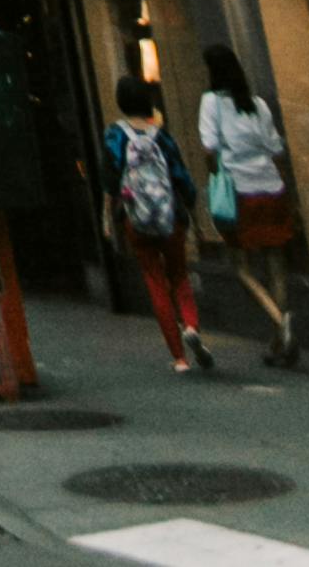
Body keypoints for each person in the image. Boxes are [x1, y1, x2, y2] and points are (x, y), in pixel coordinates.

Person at [103, 70, 215, 373]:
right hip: (170, 216)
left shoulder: (114, 135)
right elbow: (181, 178)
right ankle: (191, 326)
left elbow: (111, 182)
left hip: (136, 218)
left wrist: (110, 217)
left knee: (154, 280)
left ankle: (179, 357)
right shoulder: (162, 136)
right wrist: (192, 210)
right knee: (179, 274)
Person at [197, 42, 297, 366]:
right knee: (276, 266)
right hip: (272, 188)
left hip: (240, 191)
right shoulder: (257, 104)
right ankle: (279, 344)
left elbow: (210, 148)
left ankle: (283, 325)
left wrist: (214, 179)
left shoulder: (211, 102)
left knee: (240, 267)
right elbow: (276, 148)